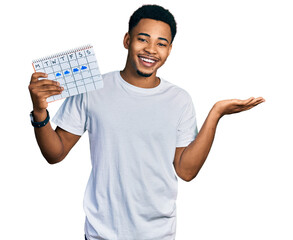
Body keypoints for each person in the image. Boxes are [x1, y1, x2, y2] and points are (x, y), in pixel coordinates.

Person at [28, 4, 265, 240]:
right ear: (127, 40)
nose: (151, 50)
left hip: (158, 233)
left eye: (161, 43)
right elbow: (55, 153)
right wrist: (39, 111)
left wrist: (216, 113)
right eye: (143, 39)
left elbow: (186, 170)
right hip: (102, 233)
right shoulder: (94, 90)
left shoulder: (179, 100)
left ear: (169, 50)